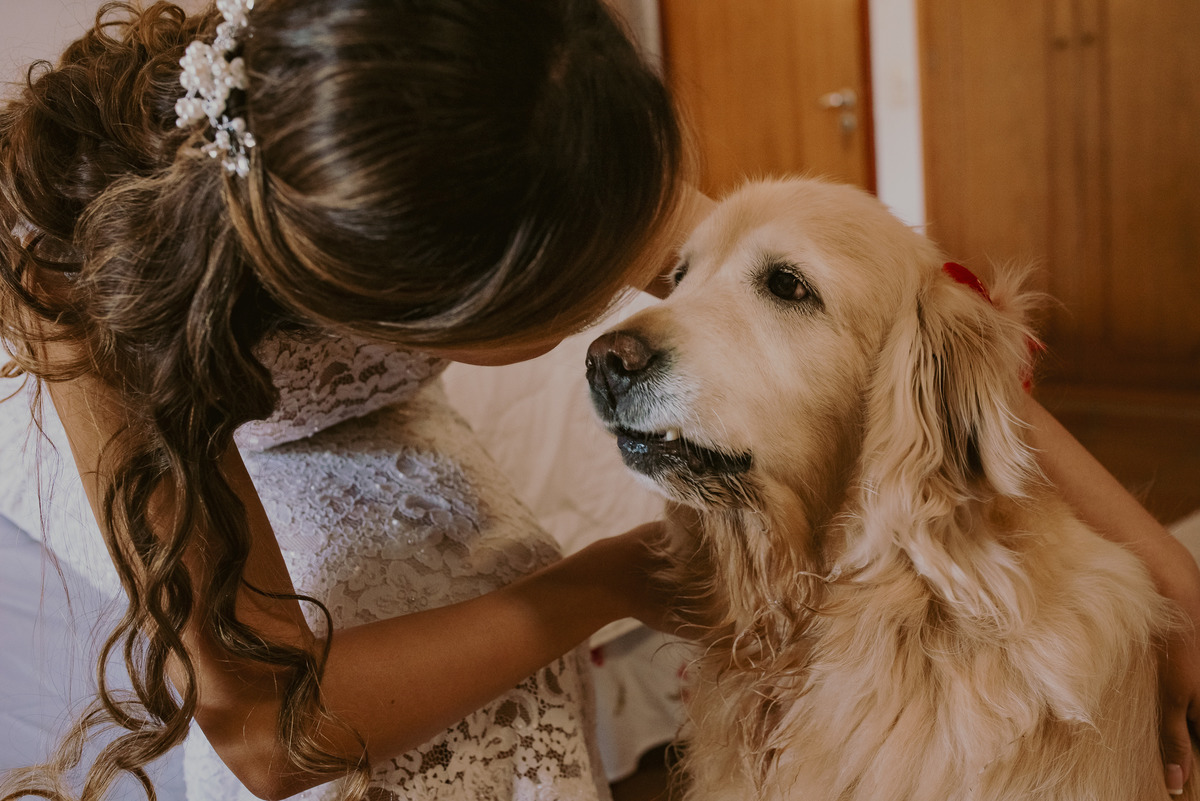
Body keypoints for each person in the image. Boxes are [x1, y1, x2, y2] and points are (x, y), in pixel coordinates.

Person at [0, 1, 1196, 800]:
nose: (630, 310)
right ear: (436, 308)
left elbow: (933, 345)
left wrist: (1170, 586)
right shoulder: (91, 298)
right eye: (599, 286)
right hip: (157, 458)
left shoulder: (506, 120)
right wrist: (604, 580)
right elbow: (265, 728)